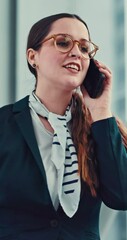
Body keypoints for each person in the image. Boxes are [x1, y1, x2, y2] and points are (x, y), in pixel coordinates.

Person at [0, 13, 127, 240]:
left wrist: (100, 111)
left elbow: (122, 196)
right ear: (32, 57)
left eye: (85, 48)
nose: (77, 52)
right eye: (63, 42)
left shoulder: (100, 128)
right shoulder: (4, 124)